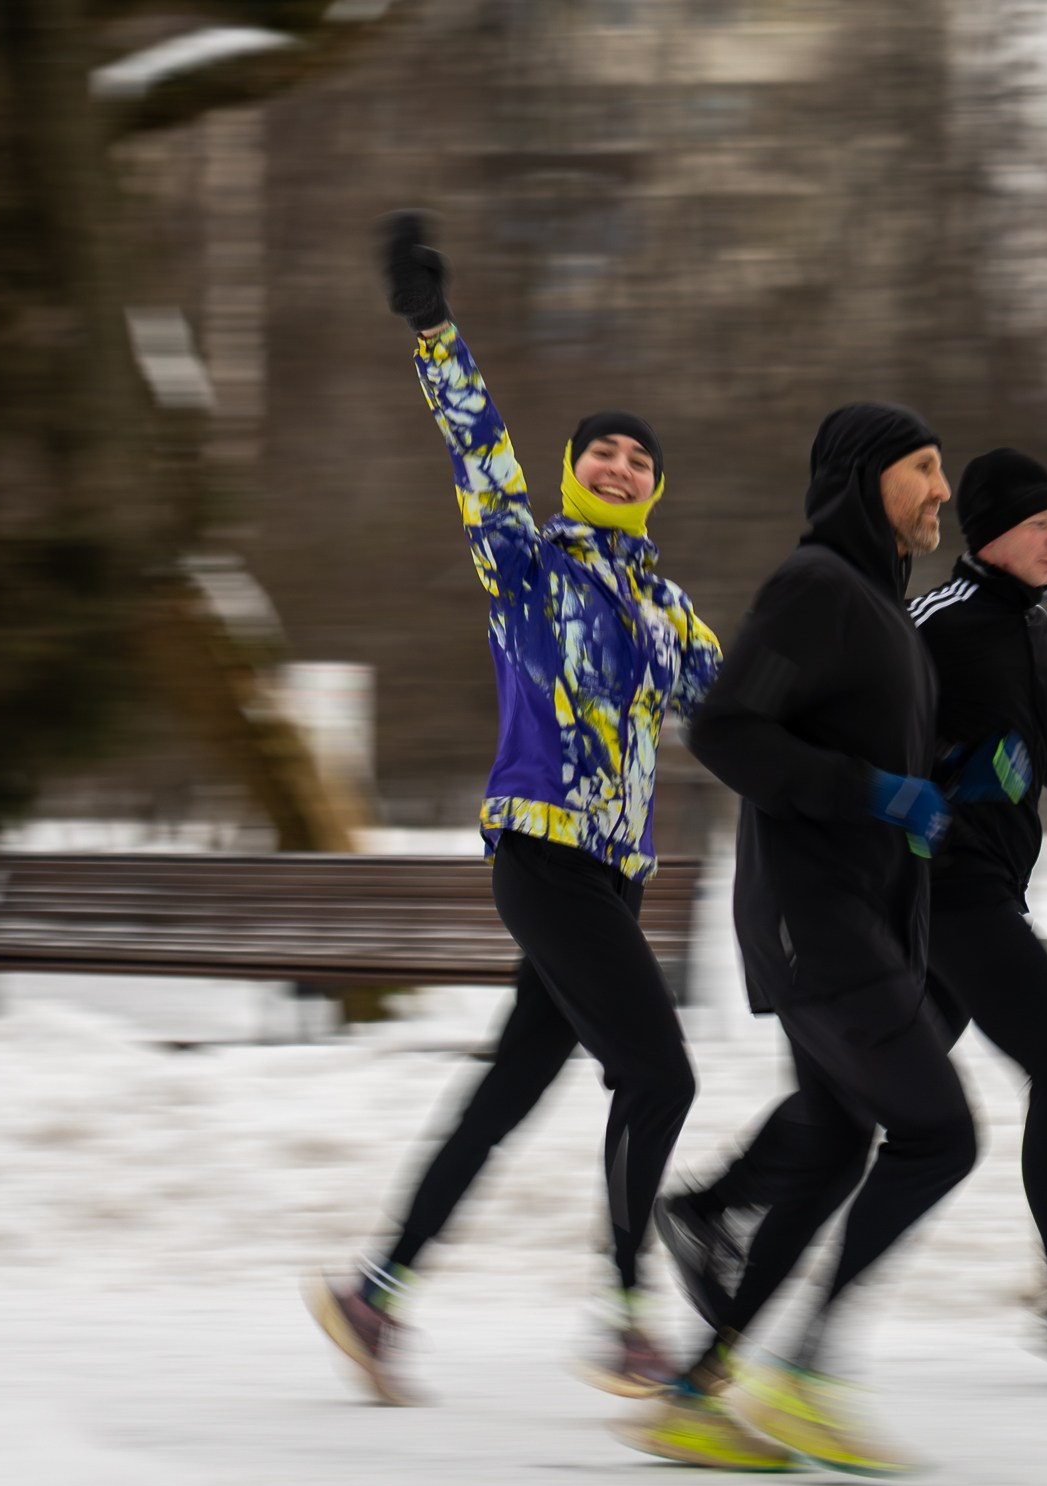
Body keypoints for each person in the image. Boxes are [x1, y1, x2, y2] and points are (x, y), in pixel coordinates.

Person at [306, 212, 721, 1407]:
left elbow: (743, 706)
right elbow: (475, 446)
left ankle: (373, 1297)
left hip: (609, 883)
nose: (620, 467)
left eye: (639, 460)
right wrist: (434, 327)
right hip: (541, 859)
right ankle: (631, 1317)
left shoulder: (666, 610)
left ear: (655, 486)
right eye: (603, 453)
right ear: (573, 468)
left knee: (508, 1093)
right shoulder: (524, 560)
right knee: (663, 1076)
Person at [662, 449, 1047, 1356]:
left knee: (860, 1102)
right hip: (942, 891)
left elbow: (1037, 766)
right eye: (1041, 523)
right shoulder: (932, 620)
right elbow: (870, 723)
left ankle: (711, 1212)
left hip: (979, 890)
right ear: (989, 532)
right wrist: (939, 779)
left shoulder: (1039, 633)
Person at [613, 403, 1011, 1476]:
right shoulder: (818, 588)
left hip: (854, 922)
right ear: (862, 478)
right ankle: (808, 1377)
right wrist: (873, 793)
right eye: (923, 469)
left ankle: (700, 1396)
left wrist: (953, 780)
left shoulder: (881, 610)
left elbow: (874, 760)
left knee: (838, 1143)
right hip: (816, 922)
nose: (941, 491)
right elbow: (729, 727)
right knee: (941, 1136)